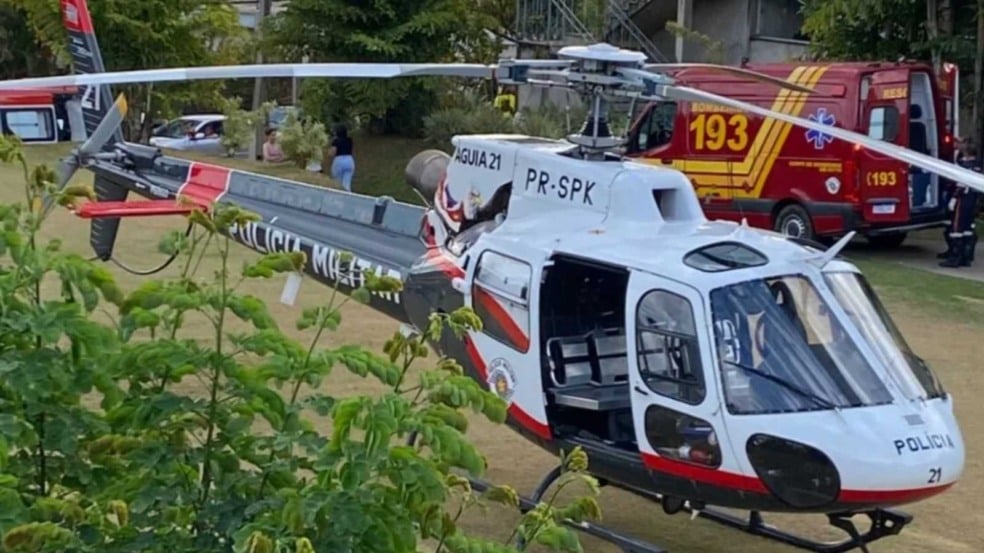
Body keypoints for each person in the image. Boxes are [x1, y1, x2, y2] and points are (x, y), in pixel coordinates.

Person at [940, 139, 980, 268]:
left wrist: (954, 198)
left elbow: (961, 184)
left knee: (957, 227)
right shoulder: (978, 164)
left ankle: (955, 257)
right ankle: (966, 257)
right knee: (968, 227)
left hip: (962, 198)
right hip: (973, 199)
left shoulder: (964, 166)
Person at [329, 124, 355, 192]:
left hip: (339, 160)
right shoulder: (349, 140)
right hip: (349, 160)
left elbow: (332, 153)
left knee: (338, 183)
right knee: (347, 183)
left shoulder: (336, 141)